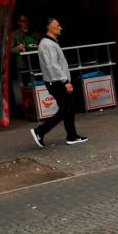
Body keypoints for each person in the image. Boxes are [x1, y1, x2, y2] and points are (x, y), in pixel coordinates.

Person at [29, 18, 87, 147]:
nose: (60, 28)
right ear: (50, 28)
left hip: (56, 81)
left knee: (69, 108)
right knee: (66, 109)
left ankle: (72, 136)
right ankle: (40, 131)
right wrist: (65, 81)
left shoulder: (49, 42)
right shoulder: (48, 44)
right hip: (56, 82)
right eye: (57, 25)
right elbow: (52, 66)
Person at [10, 14, 40, 114]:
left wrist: (40, 46)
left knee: (38, 84)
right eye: (23, 21)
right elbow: (9, 50)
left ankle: (40, 105)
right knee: (27, 86)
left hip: (36, 63)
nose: (25, 23)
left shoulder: (35, 33)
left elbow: (42, 44)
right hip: (23, 64)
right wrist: (18, 48)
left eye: (26, 21)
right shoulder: (15, 35)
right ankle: (30, 109)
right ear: (19, 22)